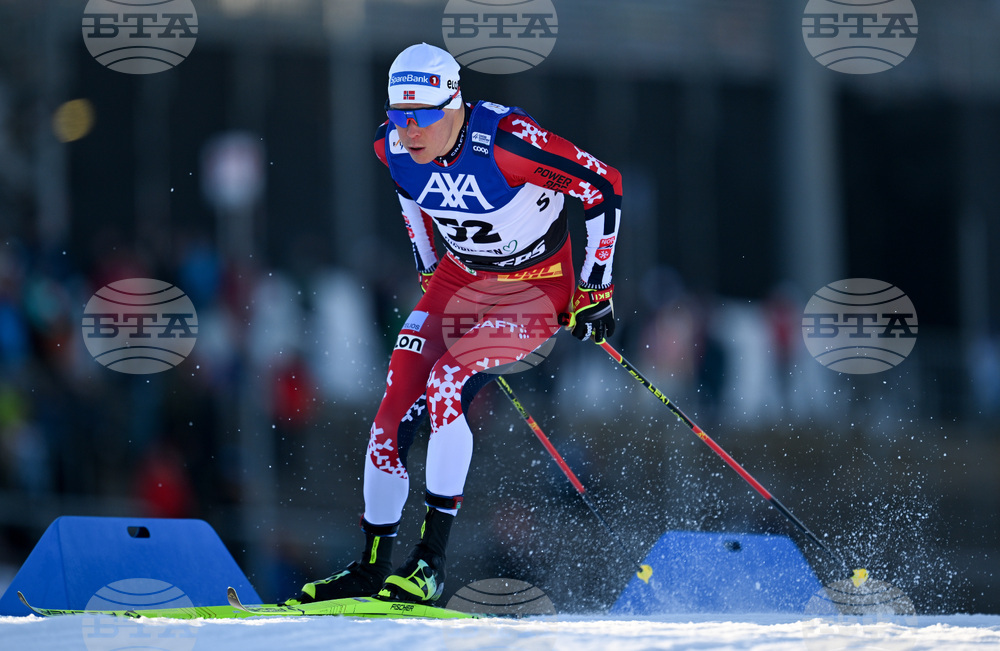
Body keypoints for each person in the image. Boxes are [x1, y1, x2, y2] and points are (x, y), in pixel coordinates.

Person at [285, 42, 623, 605]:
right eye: (399, 115)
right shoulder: (392, 145)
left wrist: (595, 289)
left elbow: (602, 185)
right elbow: (409, 195)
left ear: (456, 104)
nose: (409, 130)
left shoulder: (509, 142)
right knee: (393, 409)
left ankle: (430, 563)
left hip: (533, 288)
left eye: (423, 116)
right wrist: (425, 263)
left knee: (447, 383)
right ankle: (370, 568)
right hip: (459, 281)